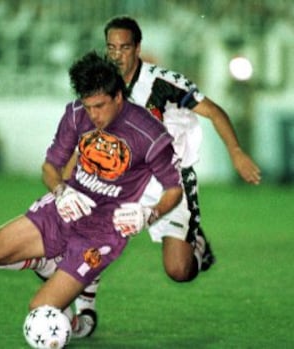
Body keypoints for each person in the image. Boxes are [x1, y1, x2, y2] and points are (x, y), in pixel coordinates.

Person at [65, 15, 262, 336]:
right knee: (86, 231)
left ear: (137, 48)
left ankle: (196, 243)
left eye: (124, 47)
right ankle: (85, 312)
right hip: (123, 180)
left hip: (169, 180)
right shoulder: (101, 85)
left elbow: (213, 111)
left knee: (179, 270)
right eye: (111, 47)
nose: (116, 54)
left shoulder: (162, 83)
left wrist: (237, 153)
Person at [0, 52, 183, 326]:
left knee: (40, 311)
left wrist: (149, 214)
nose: (93, 115)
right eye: (87, 106)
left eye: (99, 106)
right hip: (65, 209)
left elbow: (173, 190)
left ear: (119, 96)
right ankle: (47, 264)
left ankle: (76, 316)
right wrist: (61, 191)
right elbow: (49, 168)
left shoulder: (150, 134)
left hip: (102, 232)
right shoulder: (75, 114)